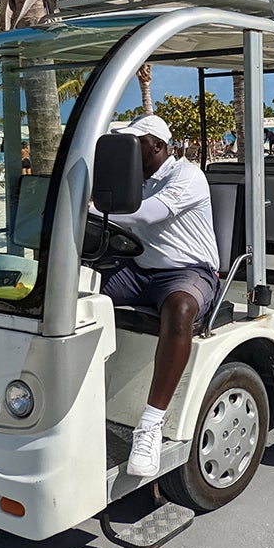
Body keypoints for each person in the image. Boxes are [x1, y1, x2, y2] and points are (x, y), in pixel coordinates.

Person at [97, 114, 221, 477]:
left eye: (133, 144)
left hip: (189, 271)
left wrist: (87, 209)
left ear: (156, 145)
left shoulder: (187, 176)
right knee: (78, 290)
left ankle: (150, 424)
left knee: (181, 309)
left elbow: (150, 214)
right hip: (140, 270)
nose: (126, 152)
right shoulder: (135, 179)